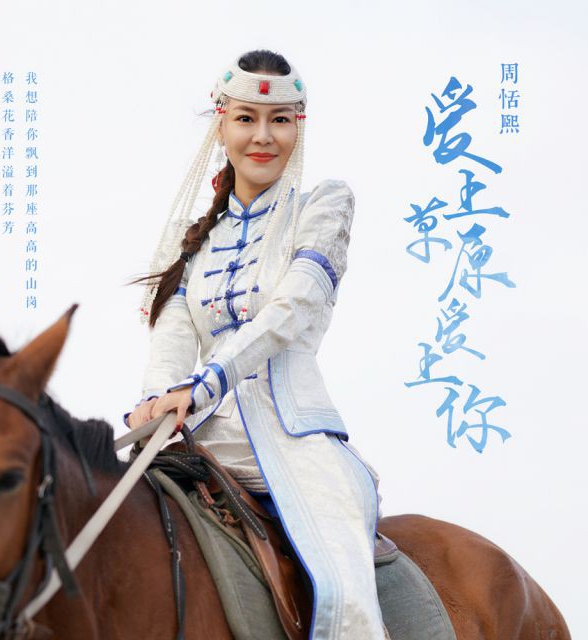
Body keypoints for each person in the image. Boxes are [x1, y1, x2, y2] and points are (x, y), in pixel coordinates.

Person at [125, 49, 389, 640]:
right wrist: (155, 402)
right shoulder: (189, 238)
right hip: (198, 438)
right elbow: (171, 337)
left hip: (297, 440)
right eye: (246, 118)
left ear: (299, 127)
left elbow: (289, 312)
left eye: (280, 120)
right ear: (220, 126)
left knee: (346, 599)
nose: (263, 136)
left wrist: (203, 385)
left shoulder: (323, 206)